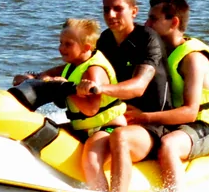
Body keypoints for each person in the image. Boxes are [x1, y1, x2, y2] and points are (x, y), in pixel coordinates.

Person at [127, 0, 209, 192]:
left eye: (153, 19)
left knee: (169, 145)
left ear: (173, 22)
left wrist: (144, 117)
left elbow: (190, 112)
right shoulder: (159, 50)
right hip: (176, 124)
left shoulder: (193, 59)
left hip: (207, 127)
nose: (146, 24)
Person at [79, 0, 173, 192]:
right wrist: (43, 76)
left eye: (117, 8)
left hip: (154, 127)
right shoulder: (105, 40)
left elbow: (138, 87)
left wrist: (99, 89)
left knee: (119, 137)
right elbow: (79, 62)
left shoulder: (148, 39)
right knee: (93, 146)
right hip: (119, 123)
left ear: (133, 11)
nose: (110, 15)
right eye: (105, 9)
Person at [11, 18, 124, 156]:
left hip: (108, 128)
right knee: (40, 135)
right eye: (61, 43)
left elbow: (91, 109)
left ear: (86, 47)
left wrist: (67, 88)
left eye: (68, 44)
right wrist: (30, 78)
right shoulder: (73, 65)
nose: (61, 48)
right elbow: (47, 75)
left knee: (91, 159)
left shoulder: (94, 70)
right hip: (84, 128)